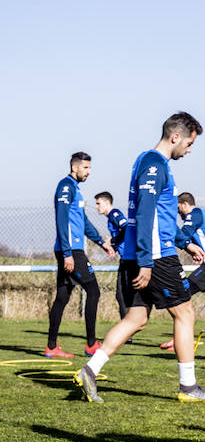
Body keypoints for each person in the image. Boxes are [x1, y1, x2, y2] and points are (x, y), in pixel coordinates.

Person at [74, 112, 205, 403]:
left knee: (137, 318)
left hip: (144, 252)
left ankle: (89, 370)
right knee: (185, 313)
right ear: (175, 137)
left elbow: (161, 216)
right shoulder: (155, 164)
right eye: (190, 143)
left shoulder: (146, 160)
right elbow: (145, 214)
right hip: (154, 255)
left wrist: (185, 243)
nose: (189, 150)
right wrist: (146, 260)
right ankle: (188, 387)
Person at [45, 152, 113, 358]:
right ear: (75, 167)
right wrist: (67, 253)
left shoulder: (76, 190)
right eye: (85, 168)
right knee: (94, 291)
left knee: (62, 297)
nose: (88, 172)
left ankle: (51, 347)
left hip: (71, 250)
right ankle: (91, 344)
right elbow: (62, 220)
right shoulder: (65, 186)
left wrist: (102, 242)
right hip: (71, 251)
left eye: (90, 168)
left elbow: (82, 222)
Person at [158, 192, 205, 351]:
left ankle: (181, 339)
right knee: (183, 297)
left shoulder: (194, 215)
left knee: (180, 296)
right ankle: (181, 337)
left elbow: (184, 235)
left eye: (178, 208)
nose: (178, 212)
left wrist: (168, 231)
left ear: (185, 204)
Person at [95, 191, 129, 320]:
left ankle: (128, 328)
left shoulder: (115, 214)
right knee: (120, 295)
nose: (97, 206)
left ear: (107, 203)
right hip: (125, 259)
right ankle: (127, 330)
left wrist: (113, 241)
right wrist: (113, 247)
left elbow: (127, 229)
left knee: (123, 295)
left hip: (130, 260)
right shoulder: (110, 218)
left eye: (99, 203)